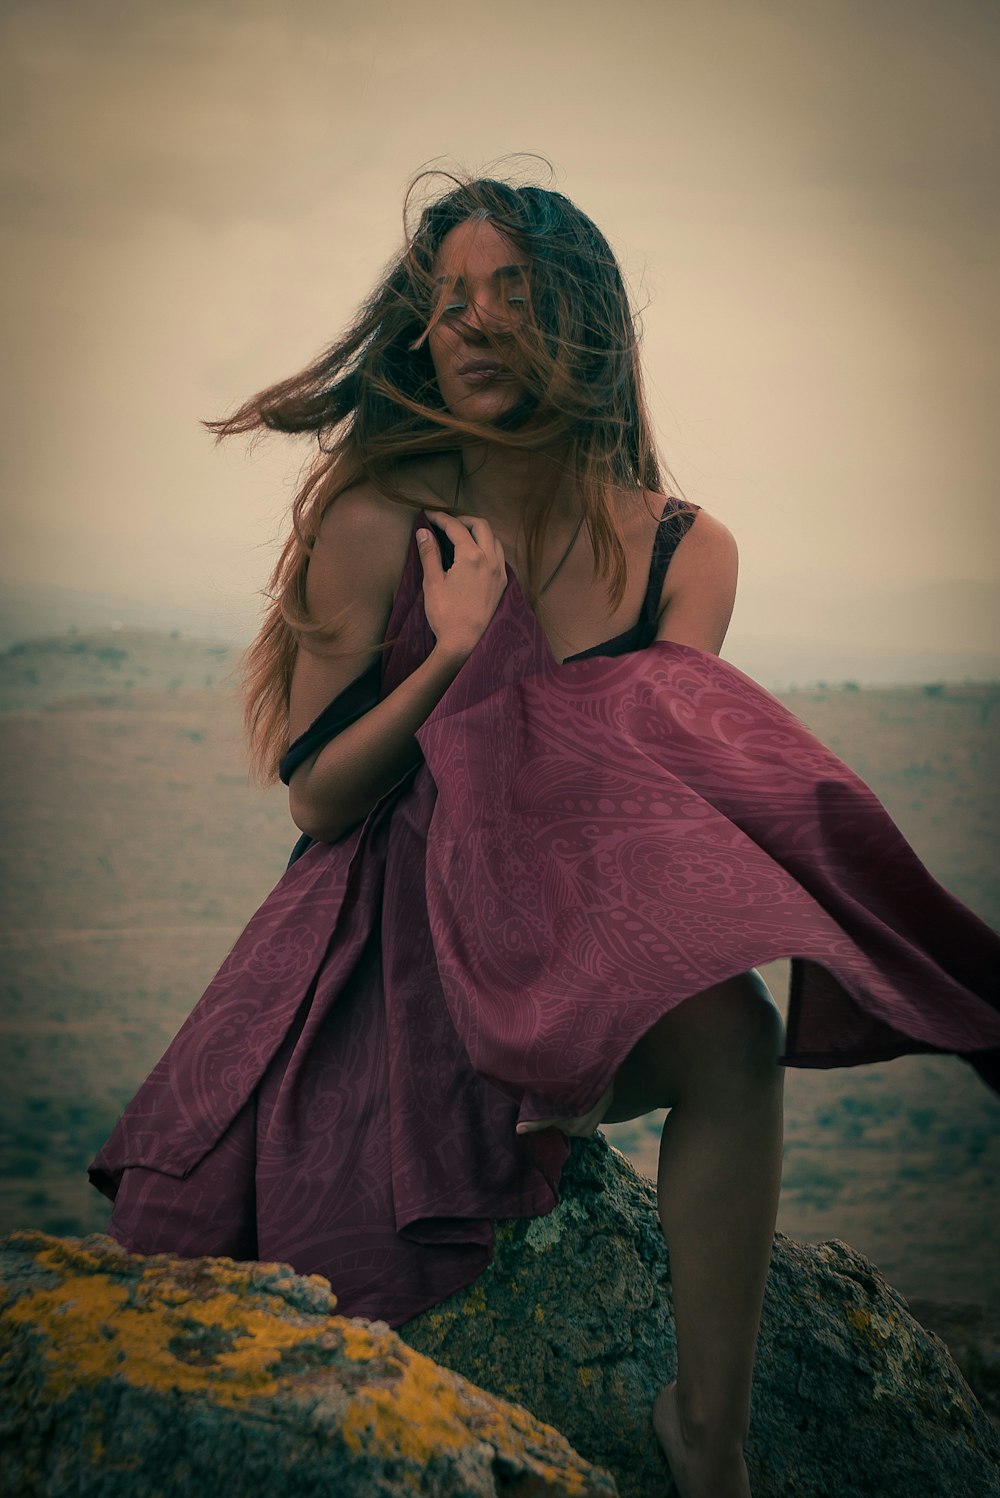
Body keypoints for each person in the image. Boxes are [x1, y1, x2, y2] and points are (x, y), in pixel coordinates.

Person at [89, 173, 1000, 1498]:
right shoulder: (374, 516)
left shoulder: (689, 549)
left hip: (557, 917)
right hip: (385, 958)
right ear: (419, 331)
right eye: (448, 299)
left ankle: (711, 1437)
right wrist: (454, 648)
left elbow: (649, 792)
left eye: (511, 291)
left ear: (583, 321)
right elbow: (316, 796)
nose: (473, 322)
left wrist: (609, 975)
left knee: (738, 1033)